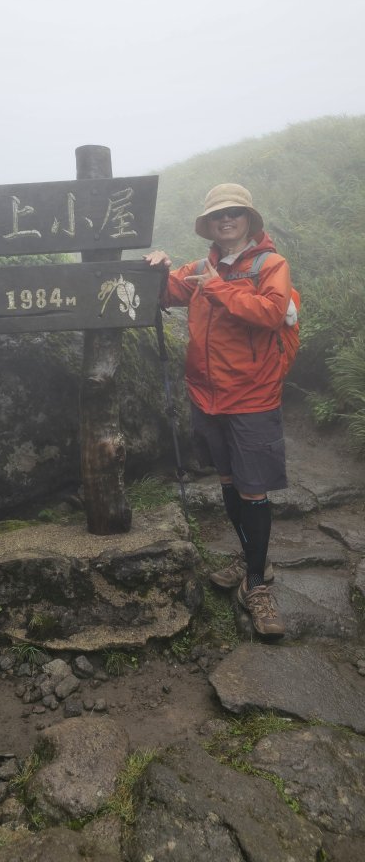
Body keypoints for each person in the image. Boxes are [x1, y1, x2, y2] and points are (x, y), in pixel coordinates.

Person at [145, 183, 296, 638]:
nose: (225, 220)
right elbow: (162, 293)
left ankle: (257, 587)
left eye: (234, 213)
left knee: (253, 490)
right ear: (209, 225)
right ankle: (254, 558)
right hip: (207, 395)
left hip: (252, 395)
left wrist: (217, 289)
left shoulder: (271, 265)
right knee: (229, 482)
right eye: (218, 216)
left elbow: (272, 312)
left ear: (249, 219)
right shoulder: (198, 269)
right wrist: (158, 266)